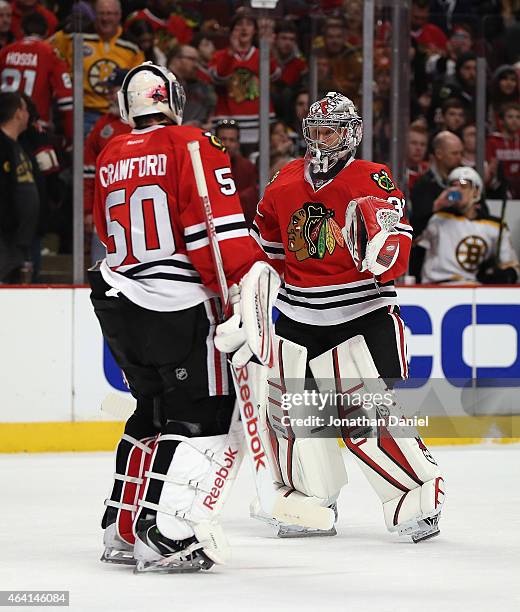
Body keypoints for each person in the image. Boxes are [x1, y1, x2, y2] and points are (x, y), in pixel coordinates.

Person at [90, 61, 278, 573]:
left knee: (151, 409)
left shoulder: (109, 151)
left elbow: (107, 234)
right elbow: (214, 235)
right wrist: (245, 284)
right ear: (171, 98)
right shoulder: (191, 143)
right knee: (204, 414)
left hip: (118, 297)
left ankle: (123, 527)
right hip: (178, 304)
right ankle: (168, 533)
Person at [238, 91, 444, 541]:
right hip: (297, 317)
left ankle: (417, 496)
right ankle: (310, 501)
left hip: (360, 314)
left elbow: (397, 255)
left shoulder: (374, 178)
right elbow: (266, 252)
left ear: (351, 133)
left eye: (329, 130)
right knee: (292, 420)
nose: (320, 138)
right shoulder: (283, 181)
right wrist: (249, 298)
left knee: (362, 418)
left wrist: (380, 247)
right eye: (314, 130)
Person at [50, 0, 145, 137]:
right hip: (81, 113)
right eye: (102, 13)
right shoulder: (73, 36)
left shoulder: (132, 46)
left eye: (111, 14)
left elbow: (139, 83)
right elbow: (46, 51)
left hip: (117, 115)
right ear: (94, 14)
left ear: (119, 15)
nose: (106, 18)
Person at [416, 166, 519, 284]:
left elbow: (512, 267)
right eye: (453, 185)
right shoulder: (437, 219)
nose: (457, 189)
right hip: (437, 288)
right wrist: (436, 206)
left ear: (476, 191)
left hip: (473, 290)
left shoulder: (494, 226)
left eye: (463, 185)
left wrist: (501, 275)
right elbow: (411, 238)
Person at [209, 8, 280, 149]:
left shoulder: (262, 54)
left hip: (259, 120)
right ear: (232, 31)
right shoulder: (220, 55)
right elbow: (218, 77)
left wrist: (269, 50)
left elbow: (273, 76)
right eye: (239, 24)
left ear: (255, 30)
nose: (244, 28)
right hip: (227, 123)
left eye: (248, 24)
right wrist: (230, 53)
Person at [0, 12, 73, 145]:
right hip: (36, 128)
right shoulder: (51, 54)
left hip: (5, 126)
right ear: (46, 32)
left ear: (22, 30)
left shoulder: (5, 52)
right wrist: (70, 137)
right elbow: (66, 101)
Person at [83, 67, 131, 263]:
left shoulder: (146, 123)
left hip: (141, 209)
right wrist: (87, 210)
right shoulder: (103, 125)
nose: (110, 96)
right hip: (106, 211)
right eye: (109, 91)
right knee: (101, 269)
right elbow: (88, 173)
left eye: (114, 91)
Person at [0, 91, 39, 283]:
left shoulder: (20, 145)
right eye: (25, 109)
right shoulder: (2, 145)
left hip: (22, 239)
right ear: (17, 113)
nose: (28, 114)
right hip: (5, 238)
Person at [214, 118, 258, 228]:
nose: (227, 144)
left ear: (238, 144)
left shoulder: (247, 167)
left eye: (232, 140)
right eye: (223, 139)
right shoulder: (204, 166)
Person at [167, 44, 215, 129]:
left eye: (198, 61)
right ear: (176, 59)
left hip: (195, 137)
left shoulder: (203, 88)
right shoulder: (159, 84)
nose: (196, 65)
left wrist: (202, 126)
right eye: (192, 59)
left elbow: (211, 117)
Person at [486, 101, 520, 199]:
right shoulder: (492, 141)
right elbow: (490, 168)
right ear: (501, 121)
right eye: (510, 117)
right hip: (498, 189)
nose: (515, 120)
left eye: (518, 117)